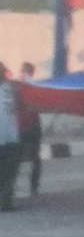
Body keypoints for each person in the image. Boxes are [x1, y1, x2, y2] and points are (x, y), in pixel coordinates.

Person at [17, 63, 42, 197]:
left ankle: (32, 186)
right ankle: (33, 186)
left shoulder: (23, 87)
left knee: (30, 157)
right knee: (32, 157)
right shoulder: (30, 87)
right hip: (27, 126)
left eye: (25, 71)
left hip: (27, 126)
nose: (24, 74)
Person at [0, 63, 21, 212]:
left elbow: (21, 104)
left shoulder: (12, 88)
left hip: (11, 138)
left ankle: (5, 201)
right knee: (9, 172)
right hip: (10, 138)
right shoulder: (12, 88)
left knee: (8, 172)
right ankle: (5, 201)